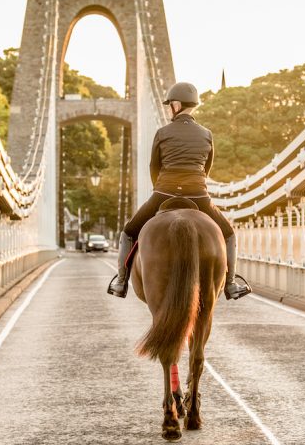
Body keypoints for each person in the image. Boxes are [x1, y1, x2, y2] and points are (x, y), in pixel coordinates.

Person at [106, 81, 251, 300]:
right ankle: (230, 285)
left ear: (176, 104)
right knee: (229, 233)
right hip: (199, 195)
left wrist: (161, 189)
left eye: (169, 105)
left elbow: (154, 167)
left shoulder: (162, 132)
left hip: (164, 192)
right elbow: (207, 168)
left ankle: (120, 281)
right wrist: (195, 185)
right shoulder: (206, 134)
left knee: (128, 232)